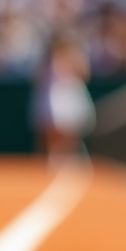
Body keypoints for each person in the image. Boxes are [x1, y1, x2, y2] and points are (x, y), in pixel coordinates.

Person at [30, 33, 95, 165]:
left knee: (70, 134)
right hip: (51, 99)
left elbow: (85, 74)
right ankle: (49, 163)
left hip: (70, 99)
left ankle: (72, 161)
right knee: (49, 135)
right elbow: (37, 77)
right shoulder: (48, 61)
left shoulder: (77, 57)